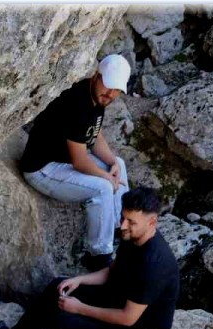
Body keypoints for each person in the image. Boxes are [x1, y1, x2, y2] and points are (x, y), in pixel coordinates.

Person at [0, 187, 179, 329]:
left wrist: (79, 308)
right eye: (123, 218)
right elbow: (112, 271)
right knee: (59, 286)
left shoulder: (154, 264)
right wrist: (78, 280)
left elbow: (127, 318)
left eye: (131, 222)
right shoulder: (132, 237)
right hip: (122, 299)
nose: (123, 225)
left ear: (152, 222)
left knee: (66, 321)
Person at [19, 54, 133, 272]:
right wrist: (107, 178)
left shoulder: (98, 98)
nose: (110, 94)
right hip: (43, 168)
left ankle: (120, 227)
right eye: (108, 86)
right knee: (102, 188)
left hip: (65, 161)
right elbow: (80, 161)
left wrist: (111, 164)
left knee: (117, 162)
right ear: (96, 76)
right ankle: (99, 255)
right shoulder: (76, 102)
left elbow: (95, 135)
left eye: (116, 90)